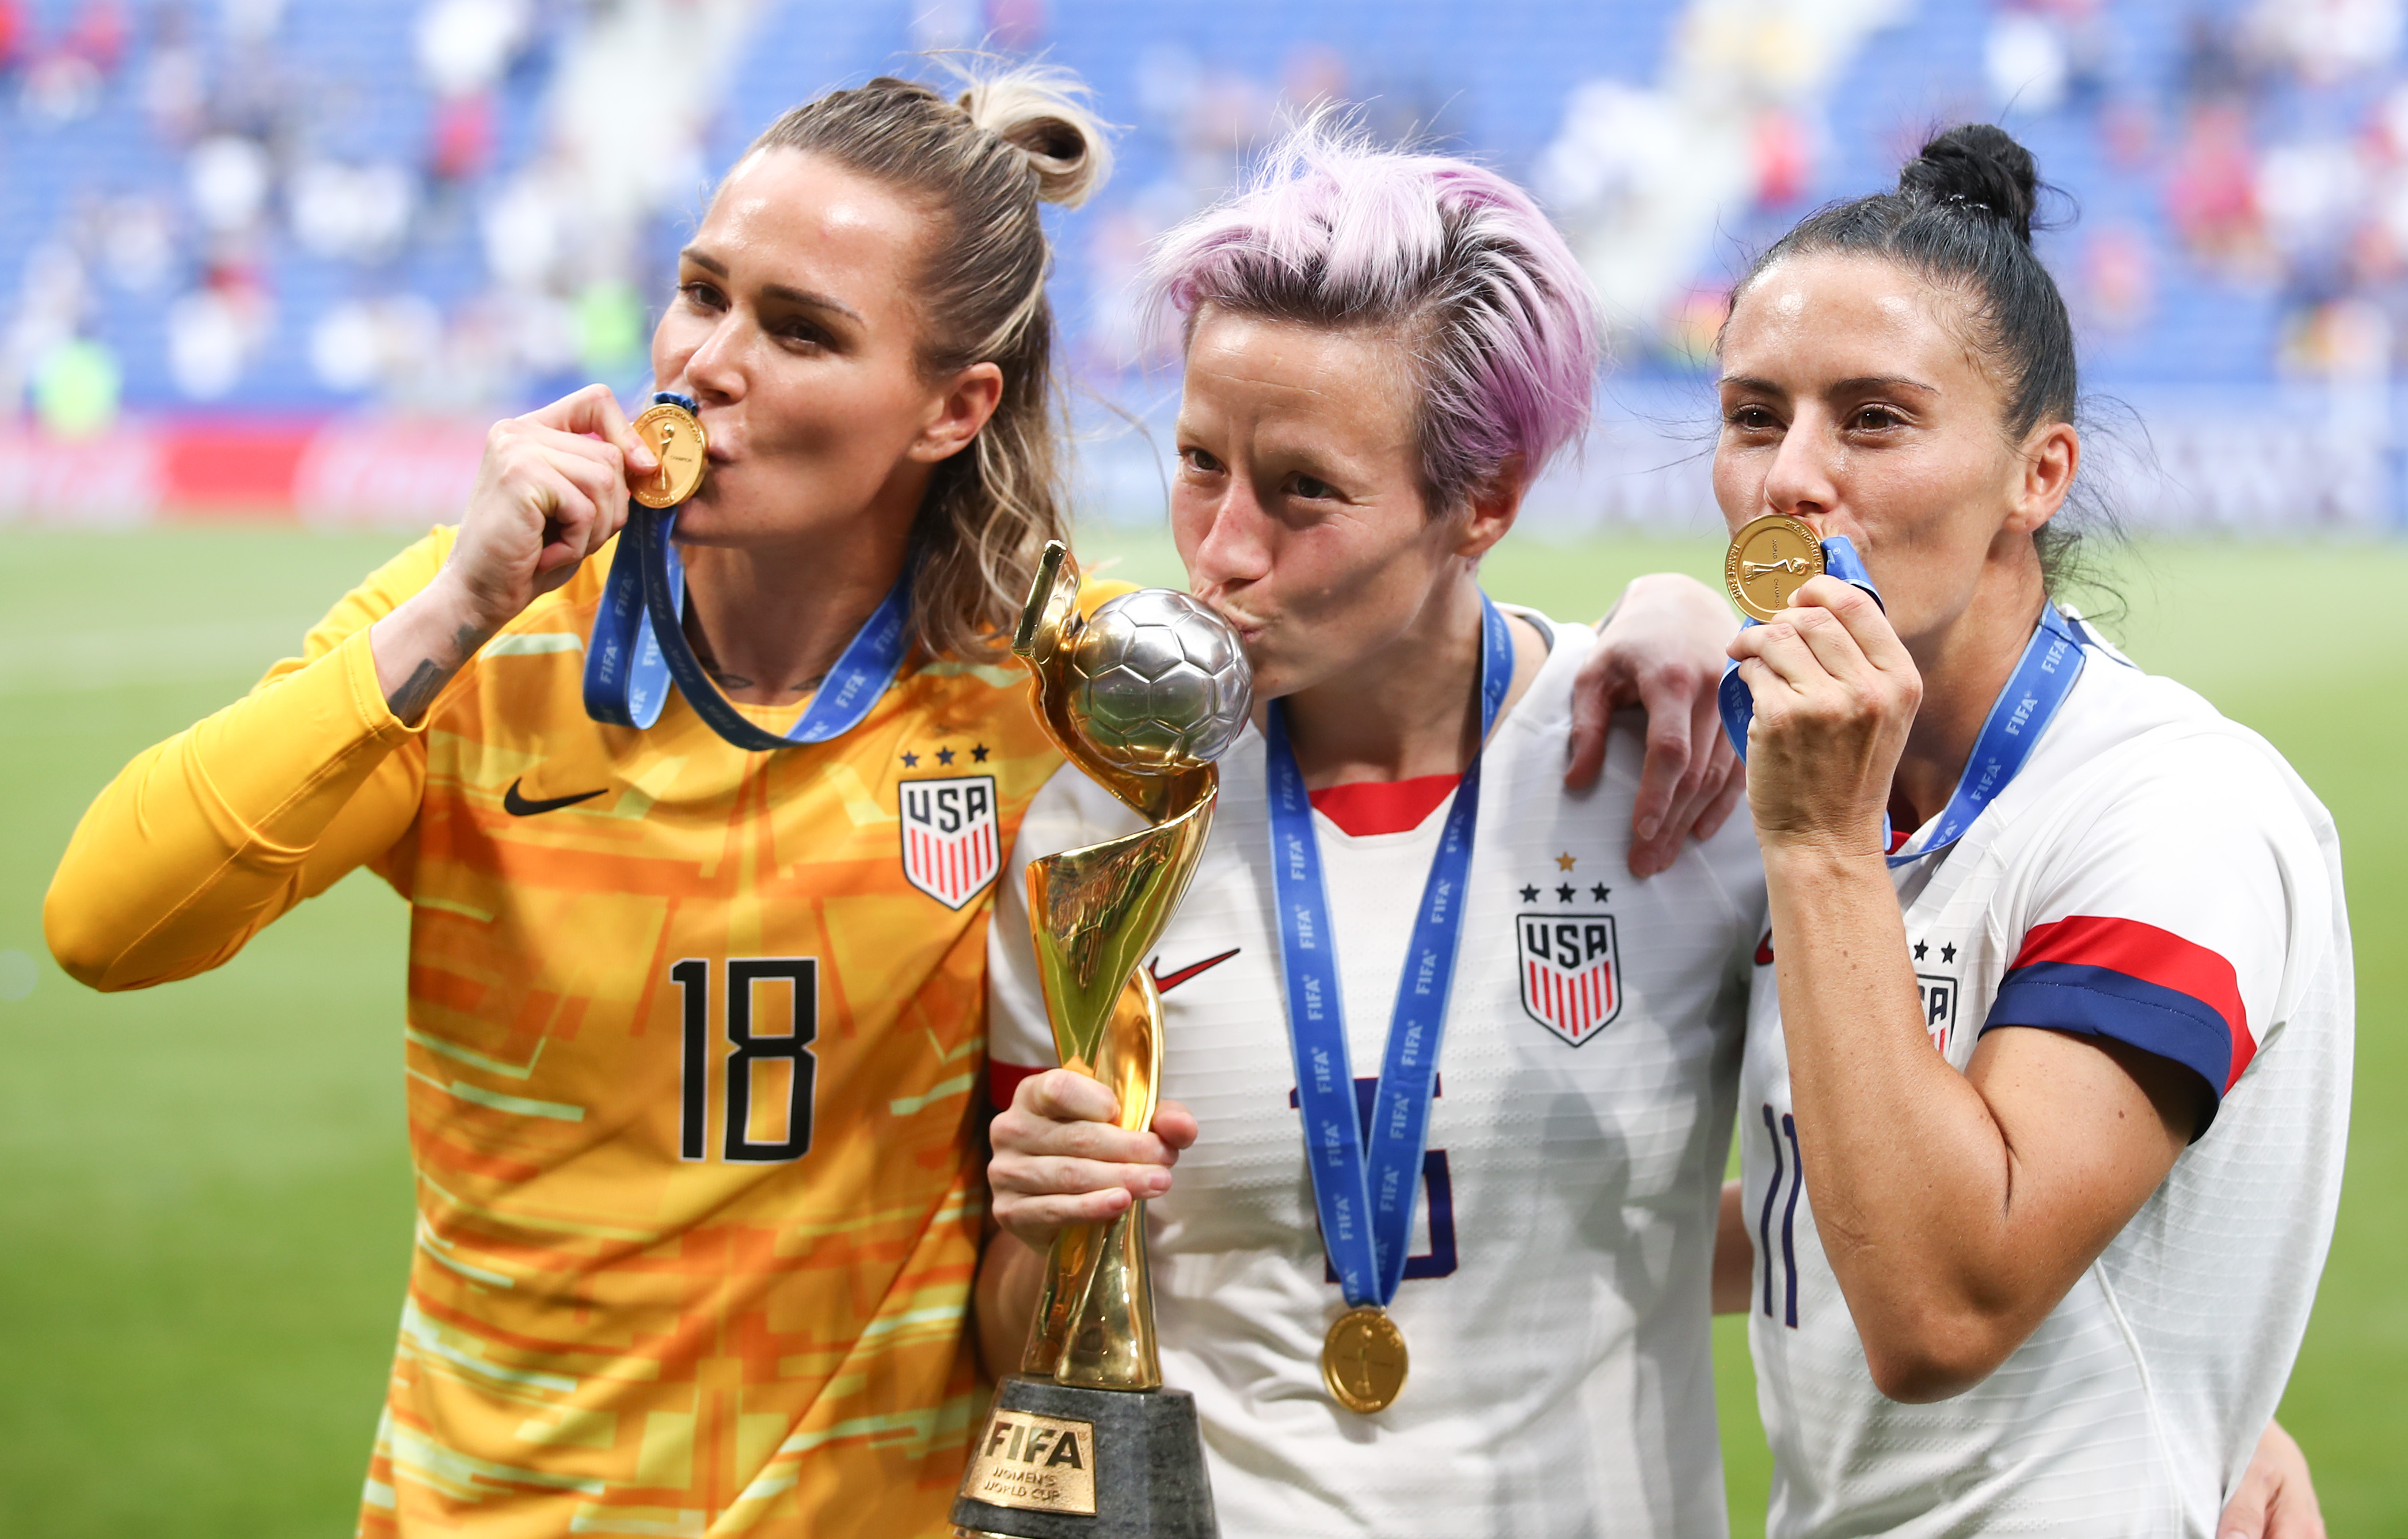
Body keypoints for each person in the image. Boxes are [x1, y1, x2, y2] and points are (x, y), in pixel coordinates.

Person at [46, 66, 1121, 1537]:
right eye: (702, 292)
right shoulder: (488, 634)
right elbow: (107, 920)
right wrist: (453, 607)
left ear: (953, 407)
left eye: (798, 329)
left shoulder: (1054, 695)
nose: (708, 362)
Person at [977, 125, 1767, 1538]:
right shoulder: (1098, 822)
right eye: (1199, 461)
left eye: (1303, 493)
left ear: (1487, 502)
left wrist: (2226, 1407)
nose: (1220, 547)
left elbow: (1870, 1233)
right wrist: (1041, 1218)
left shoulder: (1682, 778)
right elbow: (1016, 1350)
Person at [1712, 125, 2350, 1536]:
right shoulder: (1784, 750)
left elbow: (1939, 1304)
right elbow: (1799, 1203)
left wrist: (1820, 853)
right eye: (1755, 415)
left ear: (2036, 473)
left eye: (1872, 418)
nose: (1789, 479)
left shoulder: (2179, 809)